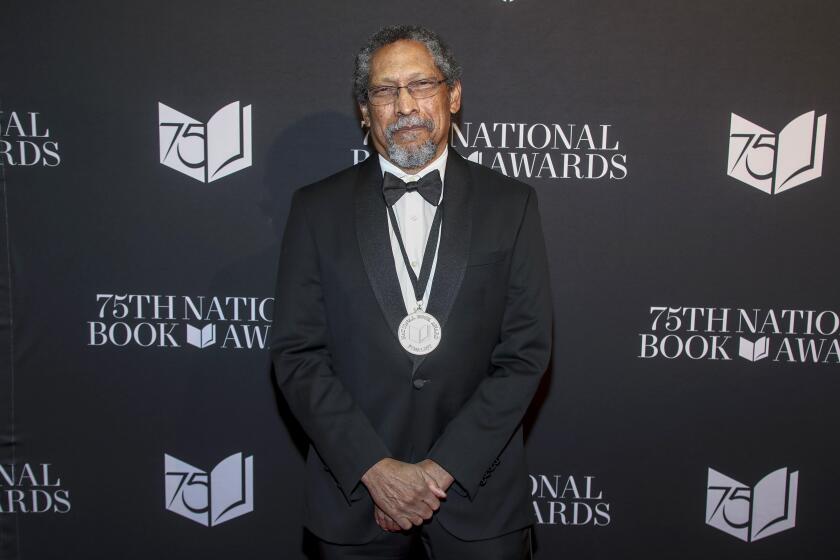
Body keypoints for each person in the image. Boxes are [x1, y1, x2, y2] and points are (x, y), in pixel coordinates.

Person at [270, 24, 552, 560]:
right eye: (384, 90)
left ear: (453, 95)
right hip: (353, 496)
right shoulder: (315, 210)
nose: (405, 105)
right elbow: (298, 355)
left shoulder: (511, 205)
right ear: (364, 108)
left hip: (480, 495)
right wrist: (375, 470)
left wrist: (440, 470)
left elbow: (526, 354)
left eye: (421, 85)